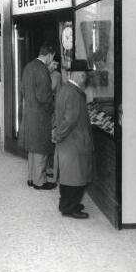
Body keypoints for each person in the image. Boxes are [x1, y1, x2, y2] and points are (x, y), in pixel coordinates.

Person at [52, 59, 93, 219]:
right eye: (84, 74)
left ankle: (67, 204)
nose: (85, 78)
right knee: (75, 177)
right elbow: (70, 118)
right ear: (80, 75)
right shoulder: (74, 93)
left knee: (69, 175)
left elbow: (58, 114)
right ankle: (70, 208)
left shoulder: (64, 88)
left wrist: (55, 131)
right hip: (73, 141)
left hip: (67, 141)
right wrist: (58, 134)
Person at [18, 42, 56, 190]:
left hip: (29, 112)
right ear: (48, 55)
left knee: (32, 148)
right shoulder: (42, 70)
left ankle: (31, 178)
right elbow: (44, 96)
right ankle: (40, 181)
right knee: (41, 147)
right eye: (52, 58)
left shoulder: (29, 66)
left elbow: (24, 88)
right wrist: (52, 107)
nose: (52, 61)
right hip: (40, 114)